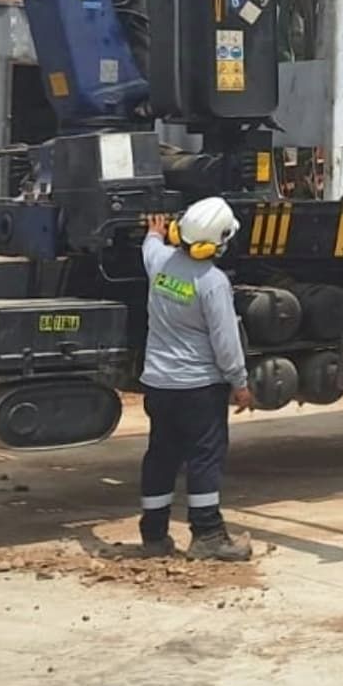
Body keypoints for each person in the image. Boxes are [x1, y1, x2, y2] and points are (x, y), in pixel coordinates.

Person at [137, 196, 253, 561]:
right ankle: (207, 535)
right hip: (199, 388)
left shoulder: (161, 263)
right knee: (204, 458)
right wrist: (240, 382)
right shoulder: (212, 282)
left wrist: (154, 233)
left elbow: (150, 246)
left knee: (161, 455)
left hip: (159, 384)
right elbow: (226, 341)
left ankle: (154, 534)